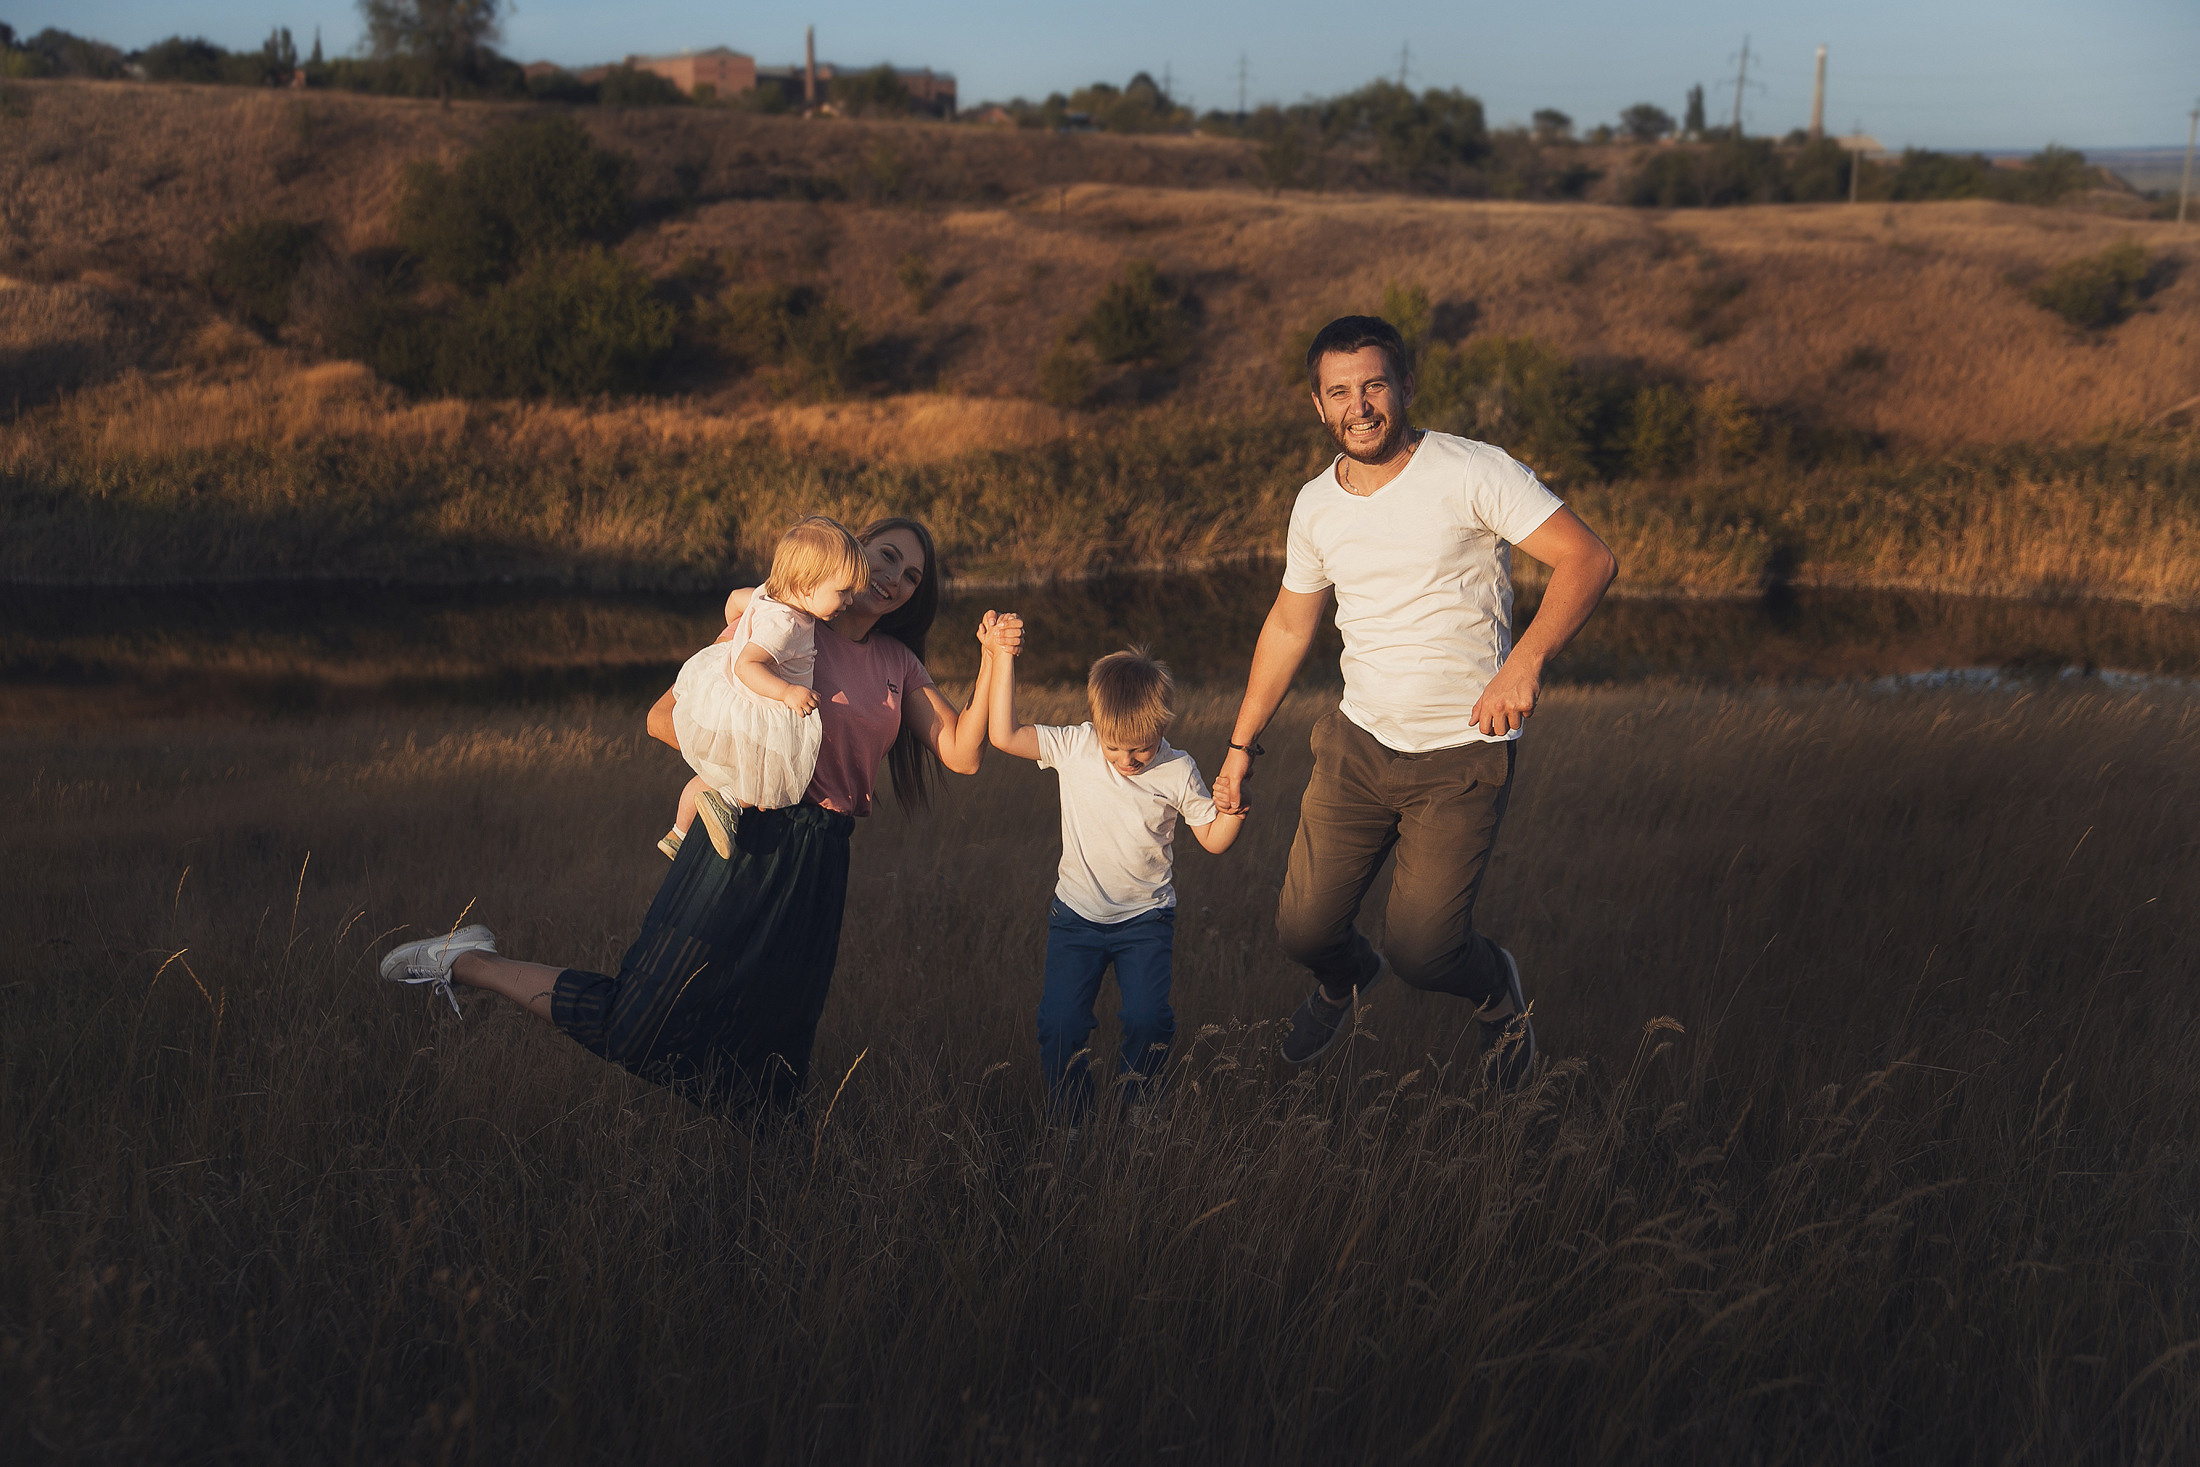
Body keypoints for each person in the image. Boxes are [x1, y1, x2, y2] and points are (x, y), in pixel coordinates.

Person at [378, 517, 1023, 1112]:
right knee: (639, 1023)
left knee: (774, 1051)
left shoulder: (896, 662)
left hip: (822, 855)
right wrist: (747, 768)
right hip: (739, 836)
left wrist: (995, 659)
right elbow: (666, 717)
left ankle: (766, 1191)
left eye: (913, 575)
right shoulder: (785, 624)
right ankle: (467, 963)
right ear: (853, 554)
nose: (896, 579)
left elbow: (963, 754)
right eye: (887, 556)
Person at [1212, 316, 1618, 1086]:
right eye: (1340, 392)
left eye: (1373, 385)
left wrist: (1524, 661)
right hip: (1356, 746)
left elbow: (1588, 558)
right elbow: (1290, 625)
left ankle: (1496, 988)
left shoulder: (1473, 470)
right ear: (1317, 405)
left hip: (1461, 753)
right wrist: (1239, 747)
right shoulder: (1315, 505)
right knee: (1304, 931)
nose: (1359, 405)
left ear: (1405, 387)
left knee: (1426, 949)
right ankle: (1344, 981)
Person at [983, 630, 1244, 1119]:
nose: (1126, 761)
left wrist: (1234, 808)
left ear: (1162, 727)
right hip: (1075, 919)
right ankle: (1073, 1117)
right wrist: (1003, 658)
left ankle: (1139, 1110)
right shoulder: (1077, 745)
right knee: (1060, 1024)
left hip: (1144, 923)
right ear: (1097, 727)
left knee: (1148, 1020)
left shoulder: (1177, 770)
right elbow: (1004, 735)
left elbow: (1213, 839)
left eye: (1140, 750)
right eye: (1115, 748)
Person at [662, 515, 871, 861]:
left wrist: (736, 625)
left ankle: (678, 832)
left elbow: (734, 599)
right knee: (760, 780)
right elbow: (748, 665)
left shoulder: (767, 594)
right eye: (843, 591)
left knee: (714, 774)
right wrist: (788, 692)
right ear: (807, 585)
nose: (850, 601)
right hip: (758, 709)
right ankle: (727, 803)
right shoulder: (786, 624)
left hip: (732, 699)